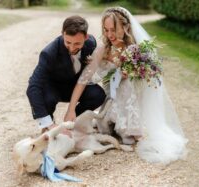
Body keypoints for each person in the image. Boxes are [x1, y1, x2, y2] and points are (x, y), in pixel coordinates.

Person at [68, 7, 188, 164]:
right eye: (106, 30)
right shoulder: (103, 50)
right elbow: (84, 79)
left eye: (113, 29)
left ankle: (130, 127)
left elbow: (148, 82)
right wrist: (70, 110)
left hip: (131, 102)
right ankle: (115, 123)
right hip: (111, 101)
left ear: (125, 27)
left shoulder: (136, 51)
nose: (109, 34)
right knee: (108, 119)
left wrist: (130, 72)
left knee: (129, 84)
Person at [26, 15, 106, 133]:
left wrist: (71, 110)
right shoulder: (48, 53)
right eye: (68, 42)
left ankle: (73, 122)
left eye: (77, 43)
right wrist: (48, 123)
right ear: (63, 34)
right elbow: (32, 87)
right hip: (54, 88)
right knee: (45, 97)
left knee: (98, 94)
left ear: (86, 37)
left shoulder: (91, 43)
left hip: (75, 86)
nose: (72, 48)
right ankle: (48, 127)